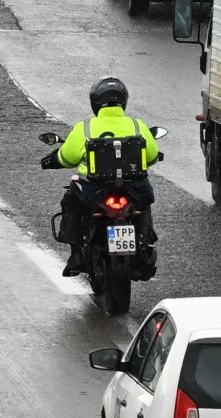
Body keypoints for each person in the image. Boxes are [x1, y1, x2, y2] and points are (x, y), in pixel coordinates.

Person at [41, 77, 163, 276]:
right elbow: (151, 156)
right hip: (135, 187)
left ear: (95, 102)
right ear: (124, 100)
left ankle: (76, 255)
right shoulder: (137, 125)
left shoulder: (85, 127)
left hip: (93, 190)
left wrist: (55, 159)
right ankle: (144, 246)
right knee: (144, 204)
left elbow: (68, 158)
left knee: (70, 202)